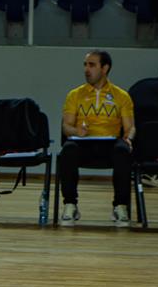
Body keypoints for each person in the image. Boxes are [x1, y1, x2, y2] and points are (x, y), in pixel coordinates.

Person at [58, 50, 135, 227]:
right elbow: (66, 127)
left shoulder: (121, 96)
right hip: (83, 143)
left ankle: (120, 206)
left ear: (105, 68)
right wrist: (76, 130)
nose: (86, 69)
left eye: (91, 65)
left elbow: (130, 127)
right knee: (68, 150)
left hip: (109, 144)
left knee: (123, 150)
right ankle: (70, 204)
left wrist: (129, 138)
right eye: (85, 65)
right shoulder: (74, 95)